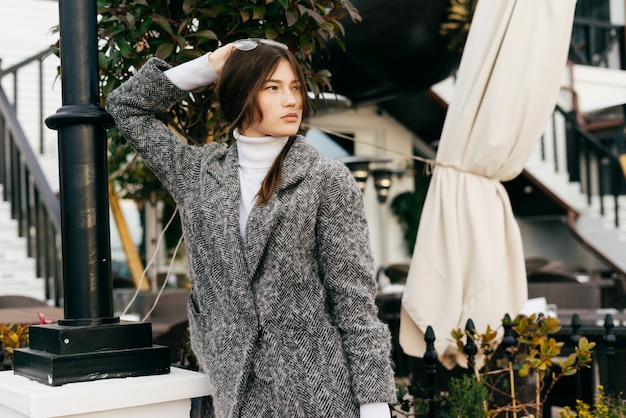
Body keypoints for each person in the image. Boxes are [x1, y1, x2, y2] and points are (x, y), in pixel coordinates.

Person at [106, 38, 396, 418]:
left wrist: (375, 404)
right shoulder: (198, 175)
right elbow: (126, 107)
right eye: (272, 88)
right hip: (232, 393)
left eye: (294, 87)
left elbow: (354, 301)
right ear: (242, 94)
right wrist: (210, 65)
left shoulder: (325, 179)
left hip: (318, 394)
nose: (291, 100)